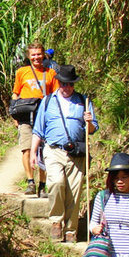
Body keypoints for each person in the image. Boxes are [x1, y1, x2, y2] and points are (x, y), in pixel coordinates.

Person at [30, 65, 98, 242]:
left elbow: (91, 130)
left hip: (76, 152)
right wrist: (32, 153)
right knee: (56, 183)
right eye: (63, 84)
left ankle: (71, 229)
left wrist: (89, 122)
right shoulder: (47, 101)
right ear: (58, 83)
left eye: (70, 84)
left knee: (74, 191)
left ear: (74, 85)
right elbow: (38, 130)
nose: (66, 88)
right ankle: (56, 222)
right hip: (53, 150)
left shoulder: (83, 101)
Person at [11, 43, 59, 196]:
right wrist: (14, 115)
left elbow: (56, 96)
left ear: (44, 55)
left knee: (43, 150)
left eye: (39, 54)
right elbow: (15, 94)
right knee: (26, 149)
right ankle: (30, 182)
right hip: (25, 116)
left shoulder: (51, 73)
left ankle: (42, 185)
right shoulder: (22, 72)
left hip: (44, 117)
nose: (36, 57)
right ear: (28, 56)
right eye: (33, 54)